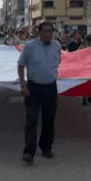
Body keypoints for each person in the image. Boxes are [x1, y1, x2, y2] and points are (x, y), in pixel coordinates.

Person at [17, 21, 62, 165]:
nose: (48, 34)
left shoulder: (57, 46)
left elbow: (57, 63)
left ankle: (46, 147)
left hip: (50, 88)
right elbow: (21, 65)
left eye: (51, 31)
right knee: (31, 120)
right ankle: (29, 152)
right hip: (34, 88)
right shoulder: (30, 46)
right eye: (45, 31)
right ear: (39, 32)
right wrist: (23, 85)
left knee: (49, 119)